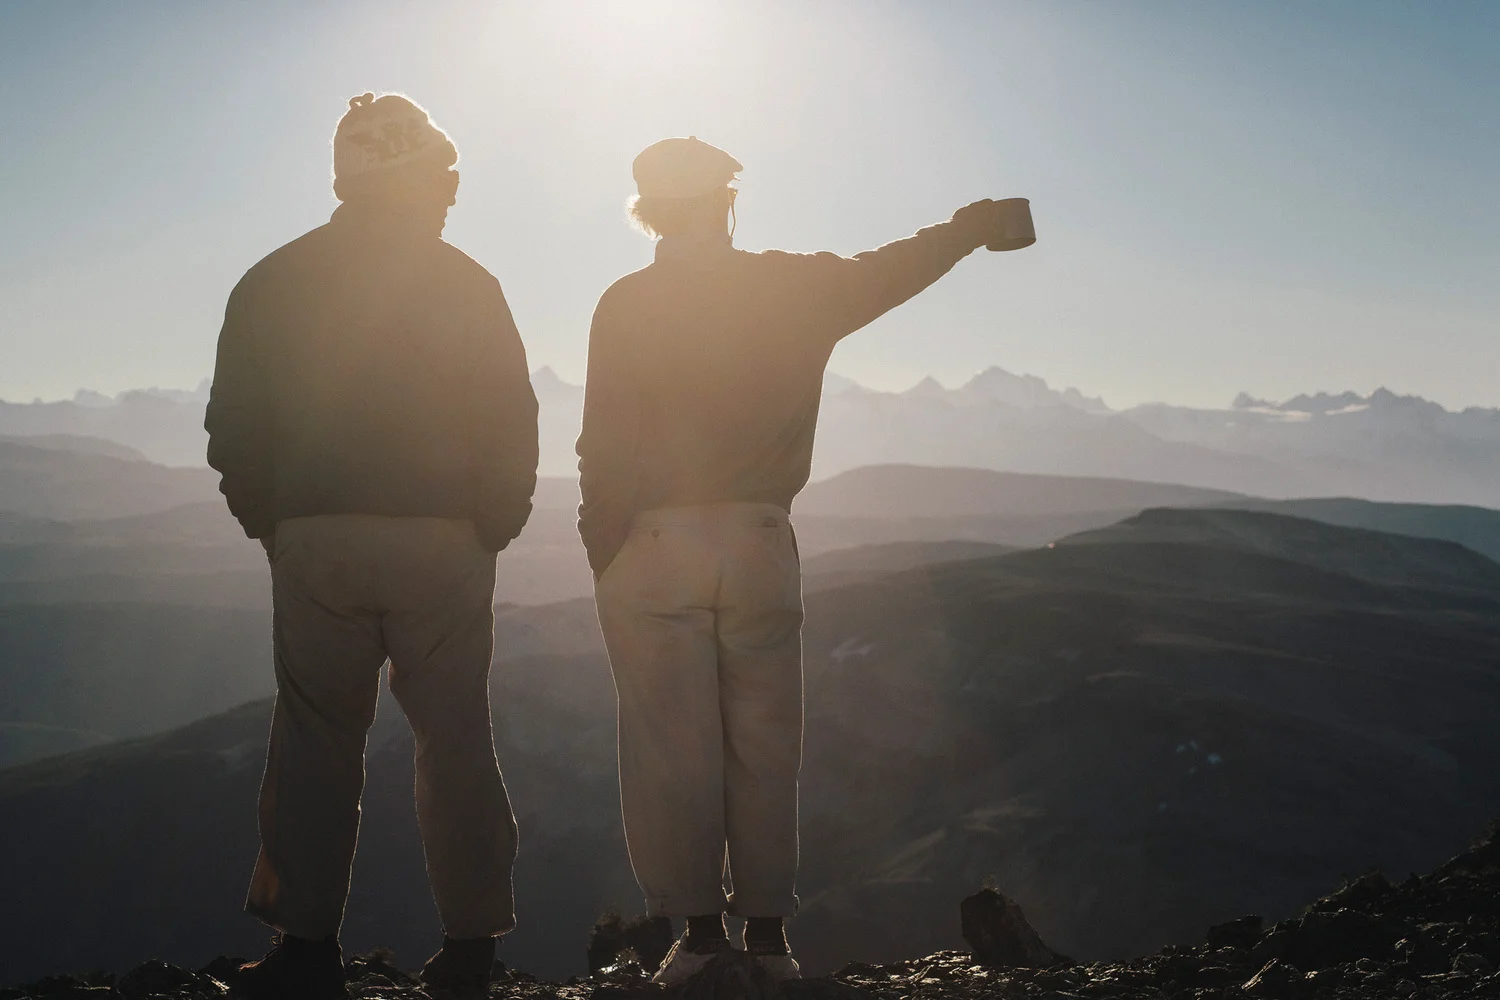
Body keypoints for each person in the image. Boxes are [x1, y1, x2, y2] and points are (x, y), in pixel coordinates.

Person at [576, 135, 1033, 984]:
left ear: (645, 215)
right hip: (759, 537)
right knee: (765, 738)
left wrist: (603, 545)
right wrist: (967, 230)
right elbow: (894, 267)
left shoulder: (627, 303)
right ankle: (770, 940)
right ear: (729, 202)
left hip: (654, 541)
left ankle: (699, 937)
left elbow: (601, 440)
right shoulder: (794, 287)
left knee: (671, 747)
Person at [205, 93, 539, 1000]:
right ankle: (472, 948)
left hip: (317, 539)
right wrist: (492, 524)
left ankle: (305, 949)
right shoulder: (466, 283)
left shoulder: (272, 280)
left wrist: (272, 521)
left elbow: (234, 425)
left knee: (315, 740)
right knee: (455, 737)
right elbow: (513, 416)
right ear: (420, 177)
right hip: (444, 542)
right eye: (446, 176)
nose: (453, 194)